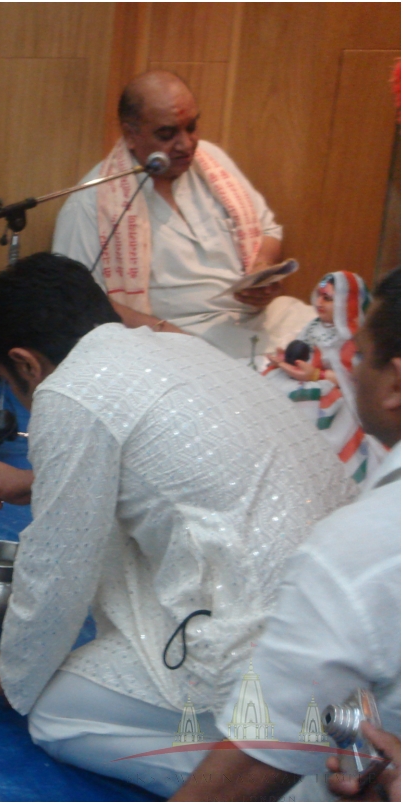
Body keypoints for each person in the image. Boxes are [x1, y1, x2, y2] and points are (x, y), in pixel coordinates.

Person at [0, 252, 353, 798]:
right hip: (350, 628)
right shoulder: (171, 345)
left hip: (268, 651)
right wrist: (32, 481)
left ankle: (281, 781)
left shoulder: (69, 389)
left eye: (9, 382)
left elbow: (57, 570)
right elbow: (161, 469)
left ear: (26, 364)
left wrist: (12, 672)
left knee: (54, 713)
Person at [173, 268, 400, 802]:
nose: (349, 368)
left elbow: (251, 767)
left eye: (360, 356)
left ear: (396, 383)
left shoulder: (359, 546)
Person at [52, 71, 312, 360]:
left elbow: (268, 230)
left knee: (338, 341)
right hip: (184, 339)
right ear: (130, 134)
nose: (186, 144)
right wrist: (163, 332)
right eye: (167, 134)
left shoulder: (212, 161)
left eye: (191, 127)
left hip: (264, 317)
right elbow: (80, 299)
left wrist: (261, 271)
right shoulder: (91, 203)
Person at [264, 270, 384, 483]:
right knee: (272, 381)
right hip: (303, 376)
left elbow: (351, 380)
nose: (319, 302)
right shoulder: (314, 327)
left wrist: (316, 375)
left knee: (305, 399)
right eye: (319, 296)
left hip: (331, 391)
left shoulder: (351, 339)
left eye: (328, 299)